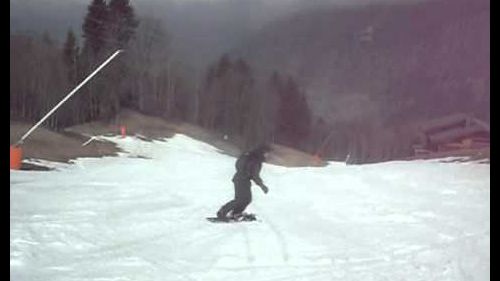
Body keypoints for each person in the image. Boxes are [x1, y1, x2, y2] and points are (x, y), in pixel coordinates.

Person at [216, 144, 271, 220]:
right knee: (241, 199)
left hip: (240, 179)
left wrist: (242, 172)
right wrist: (262, 186)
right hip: (242, 180)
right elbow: (254, 175)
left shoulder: (250, 156)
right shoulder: (256, 160)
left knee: (245, 199)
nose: (267, 155)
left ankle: (236, 213)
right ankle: (222, 212)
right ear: (263, 152)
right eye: (267, 153)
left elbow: (239, 165)